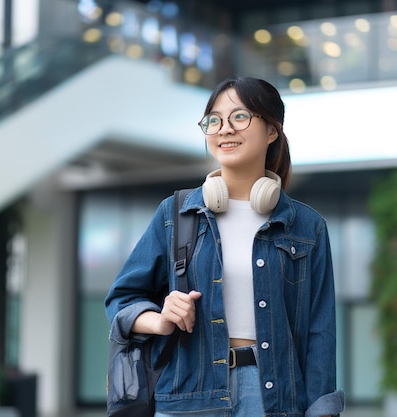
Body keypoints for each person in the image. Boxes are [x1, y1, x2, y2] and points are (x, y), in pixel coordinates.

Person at [105, 76, 345, 417]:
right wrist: (160, 319)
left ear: (272, 130)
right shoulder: (176, 215)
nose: (224, 129)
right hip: (189, 398)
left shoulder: (307, 227)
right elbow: (121, 299)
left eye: (240, 117)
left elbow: (319, 335)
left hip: (273, 400)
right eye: (214, 120)